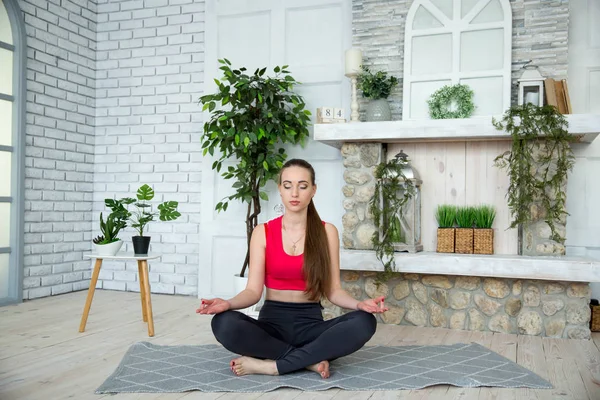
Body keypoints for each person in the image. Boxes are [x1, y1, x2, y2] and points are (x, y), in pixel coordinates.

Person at [196, 158, 388, 379]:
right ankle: (308, 361)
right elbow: (252, 292)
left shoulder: (327, 233)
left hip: (312, 328)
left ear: (313, 190)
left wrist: (359, 304)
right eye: (288, 186)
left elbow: (334, 291)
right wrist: (227, 303)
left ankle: (271, 365)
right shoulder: (263, 232)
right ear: (280, 189)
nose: (294, 193)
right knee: (223, 323)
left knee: (364, 322)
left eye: (302, 186)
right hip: (271, 327)